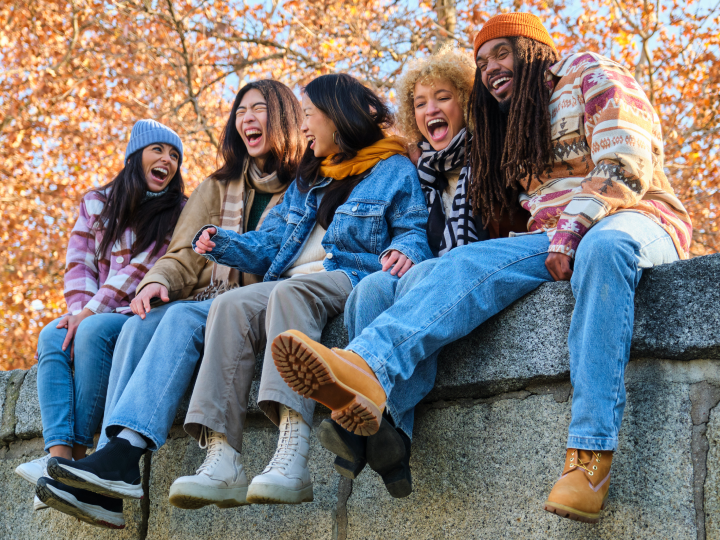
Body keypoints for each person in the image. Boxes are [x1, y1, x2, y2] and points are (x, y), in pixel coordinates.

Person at [271, 13, 692, 524]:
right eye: (482, 61)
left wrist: (575, 227)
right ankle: (367, 367)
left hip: (633, 217)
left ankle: (589, 456)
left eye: (502, 53)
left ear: (533, 50)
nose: (491, 68)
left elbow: (627, 159)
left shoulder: (587, 70)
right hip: (552, 235)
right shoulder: (508, 123)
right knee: (463, 262)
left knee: (603, 250)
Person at [164, 73, 433, 510]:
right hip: (291, 281)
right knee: (229, 305)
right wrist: (223, 242)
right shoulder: (307, 179)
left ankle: (293, 451)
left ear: (337, 116)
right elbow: (271, 241)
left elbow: (413, 228)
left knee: (289, 294)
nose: (303, 127)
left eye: (309, 115)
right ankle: (222, 458)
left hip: (348, 275)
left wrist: (404, 248)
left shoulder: (393, 167)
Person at [41, 80, 303, 526]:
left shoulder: (303, 184)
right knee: (139, 323)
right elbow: (181, 254)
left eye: (259, 109)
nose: (247, 118)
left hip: (260, 301)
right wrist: (154, 283)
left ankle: (121, 458)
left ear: (283, 118)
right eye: (240, 111)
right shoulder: (217, 186)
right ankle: (108, 477)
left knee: (179, 317)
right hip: (209, 297)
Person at [317, 46, 528, 499]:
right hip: (434, 275)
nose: (430, 109)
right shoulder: (423, 171)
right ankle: (388, 437)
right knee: (372, 287)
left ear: (466, 102)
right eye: (419, 103)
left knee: (415, 279)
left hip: (485, 269)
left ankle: (367, 432)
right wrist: (403, 250)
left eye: (443, 97)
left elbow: (514, 226)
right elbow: (413, 231)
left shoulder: (493, 152)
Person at [16, 119, 186, 529]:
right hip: (94, 309)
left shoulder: (178, 211)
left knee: (90, 330)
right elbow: (79, 265)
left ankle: (80, 454)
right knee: (52, 336)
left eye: (175, 156)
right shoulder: (97, 202)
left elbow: (146, 266)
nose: (168, 161)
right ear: (136, 155)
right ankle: (59, 460)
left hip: (141, 312)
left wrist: (89, 313)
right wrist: (77, 312)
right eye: (159, 150)